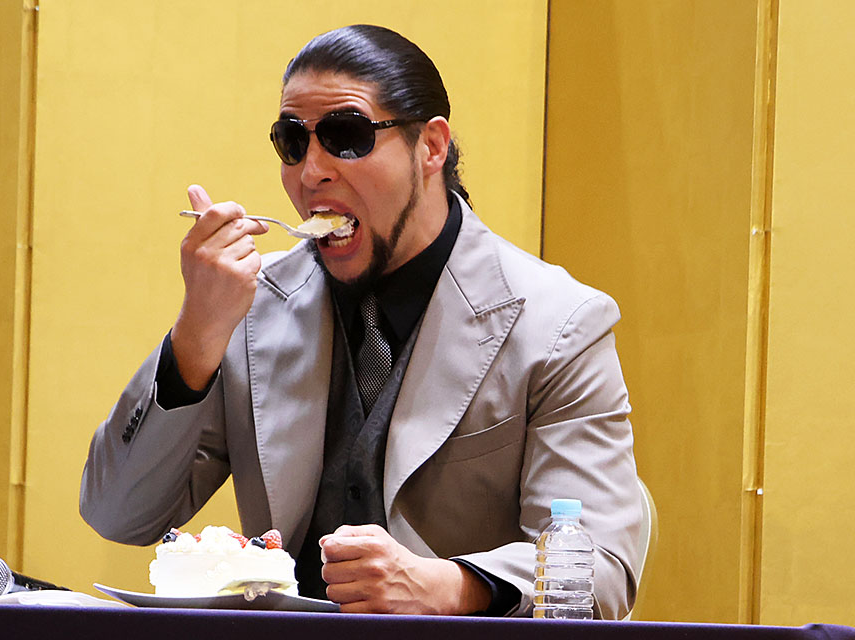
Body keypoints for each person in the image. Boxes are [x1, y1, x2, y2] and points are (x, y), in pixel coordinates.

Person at [80, 24, 642, 618]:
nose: (312, 171)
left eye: (346, 136)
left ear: (431, 147)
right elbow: (119, 514)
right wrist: (197, 333)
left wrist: (445, 586)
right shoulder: (251, 307)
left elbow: (601, 570)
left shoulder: (558, 323)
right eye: (292, 142)